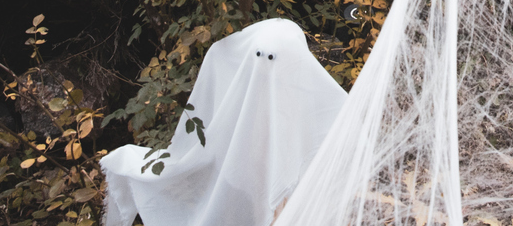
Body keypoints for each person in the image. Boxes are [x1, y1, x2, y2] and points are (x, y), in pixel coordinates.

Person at [100, 20, 345, 226]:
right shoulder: (250, 81)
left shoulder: (293, 82)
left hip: (270, 185)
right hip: (241, 179)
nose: (266, 62)